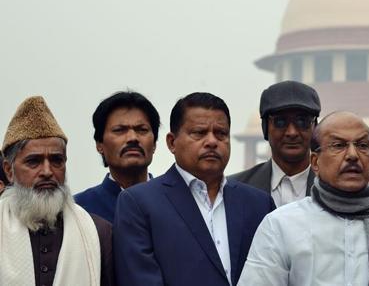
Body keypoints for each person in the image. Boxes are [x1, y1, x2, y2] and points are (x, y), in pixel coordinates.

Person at [238, 111, 369, 286]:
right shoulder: (281, 225)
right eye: (339, 145)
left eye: (362, 145)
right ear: (315, 162)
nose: (352, 155)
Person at [114, 92, 275, 286]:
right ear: (172, 142)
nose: (212, 141)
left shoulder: (258, 203)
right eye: (199, 133)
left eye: (221, 134)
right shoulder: (139, 203)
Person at [0, 96, 114, 286]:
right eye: (33, 161)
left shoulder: (98, 231)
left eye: (56, 161)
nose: (47, 171)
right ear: (9, 170)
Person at [230, 81, 320, 207]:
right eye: (281, 122)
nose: (292, 132)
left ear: (315, 127)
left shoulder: (334, 188)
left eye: (302, 121)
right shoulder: (232, 190)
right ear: (265, 128)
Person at [75, 91, 160, 223]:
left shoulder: (177, 203)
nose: (133, 138)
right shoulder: (79, 210)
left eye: (142, 129)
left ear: (154, 143)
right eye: (119, 130)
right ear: (100, 145)